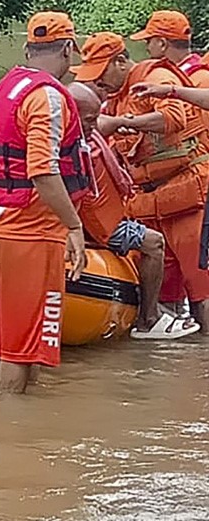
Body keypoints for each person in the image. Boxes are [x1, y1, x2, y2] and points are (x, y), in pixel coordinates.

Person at [0, 12, 90, 395]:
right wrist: (74, 225)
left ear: (28, 48)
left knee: (22, 346)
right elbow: (43, 171)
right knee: (20, 348)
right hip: (34, 232)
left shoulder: (1, 90)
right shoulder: (46, 97)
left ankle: (23, 428)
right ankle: (16, 438)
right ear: (67, 48)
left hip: (1, 224)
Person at [74, 31, 209, 330]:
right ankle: (168, 350)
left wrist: (123, 123)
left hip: (186, 195)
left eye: (100, 73)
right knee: (163, 289)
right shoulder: (111, 98)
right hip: (148, 202)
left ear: (120, 62)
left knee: (200, 287)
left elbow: (174, 120)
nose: (97, 82)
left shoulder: (155, 76)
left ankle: (203, 359)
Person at [132, 10, 209, 88]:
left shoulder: (202, 79)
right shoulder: (199, 74)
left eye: (148, 41)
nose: (147, 48)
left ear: (162, 44)